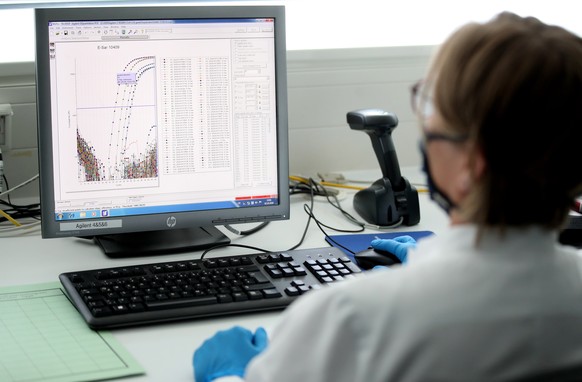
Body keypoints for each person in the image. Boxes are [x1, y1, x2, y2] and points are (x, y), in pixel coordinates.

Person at [193, 12, 582, 382]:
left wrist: (230, 372)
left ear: (473, 165)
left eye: (432, 108)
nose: (425, 128)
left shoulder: (353, 318)